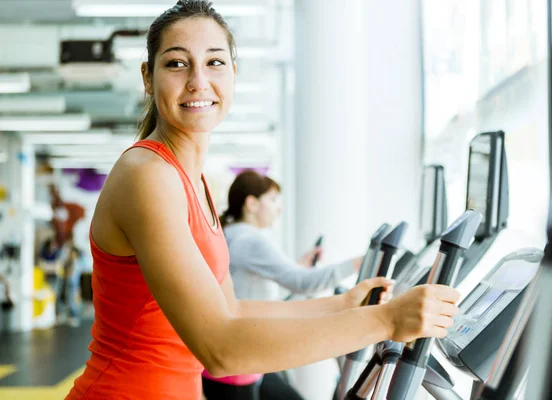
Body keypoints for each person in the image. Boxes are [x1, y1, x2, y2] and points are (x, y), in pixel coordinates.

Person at [66, 2, 460, 399]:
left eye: (215, 62)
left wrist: (341, 305)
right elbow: (220, 349)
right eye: (176, 64)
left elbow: (233, 310)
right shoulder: (147, 175)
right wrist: (386, 321)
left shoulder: (191, 180)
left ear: (233, 74)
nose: (198, 81)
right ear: (148, 78)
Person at [202, 170, 364, 399]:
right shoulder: (251, 240)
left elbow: (249, 289)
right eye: (273, 200)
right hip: (239, 363)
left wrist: (297, 265)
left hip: (234, 357)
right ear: (251, 203)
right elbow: (304, 284)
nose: (279, 208)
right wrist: (358, 263)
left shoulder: (230, 234)